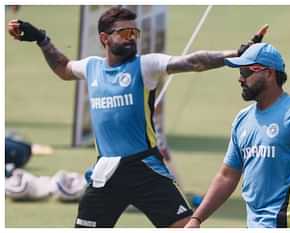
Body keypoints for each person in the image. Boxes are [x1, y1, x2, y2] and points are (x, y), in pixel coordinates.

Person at [7, 7, 259, 228]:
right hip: (106, 171)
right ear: (104, 38)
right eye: (124, 33)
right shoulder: (91, 67)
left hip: (145, 168)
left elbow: (194, 62)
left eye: (134, 34)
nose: (131, 38)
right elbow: (63, 68)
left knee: (185, 227)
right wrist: (41, 39)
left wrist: (236, 54)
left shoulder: (145, 65)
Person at [185, 43, 290, 228]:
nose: (240, 79)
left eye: (246, 72)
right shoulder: (243, 119)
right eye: (240, 72)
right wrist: (196, 219)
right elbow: (227, 176)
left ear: (269, 73)